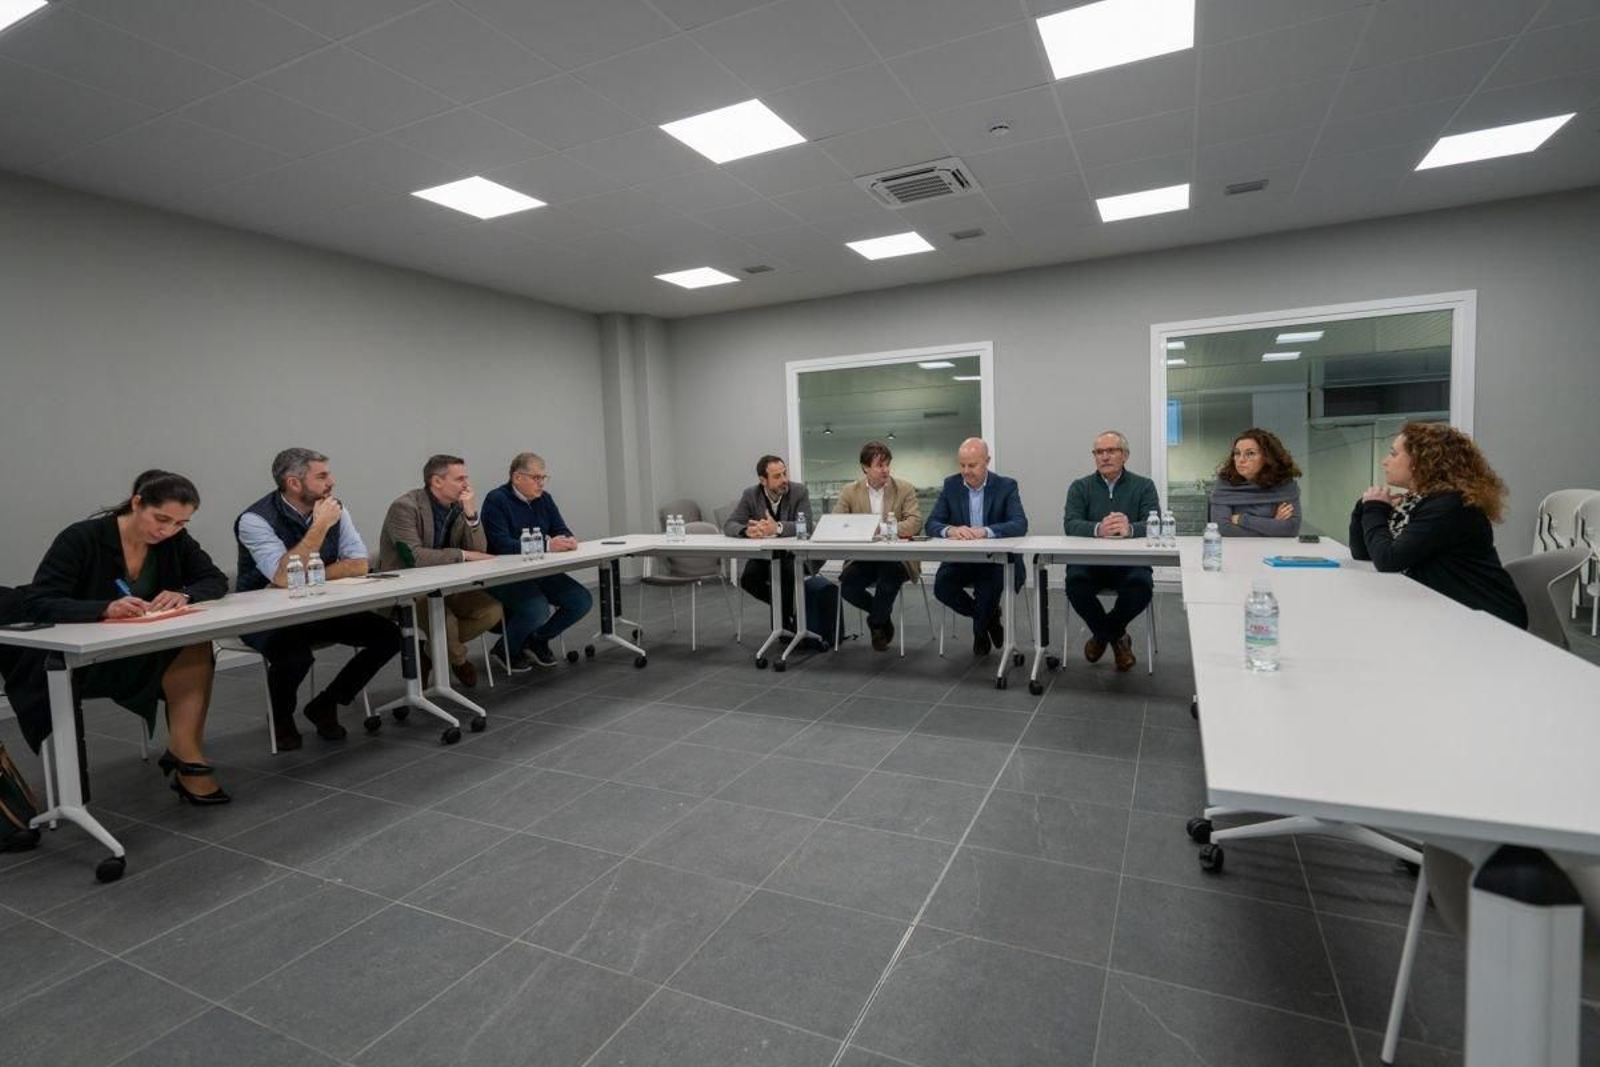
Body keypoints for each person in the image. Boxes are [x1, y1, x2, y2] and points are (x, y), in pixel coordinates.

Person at [23, 471, 231, 803]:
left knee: (196, 643)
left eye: (180, 523)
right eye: (161, 518)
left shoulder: (174, 539)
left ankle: (187, 755)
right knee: (188, 648)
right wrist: (103, 608)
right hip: (84, 658)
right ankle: (185, 762)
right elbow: (39, 601)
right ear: (137, 503)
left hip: (141, 649)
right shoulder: (82, 538)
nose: (167, 531)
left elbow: (214, 579)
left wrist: (185, 594)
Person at [235, 448, 402, 750]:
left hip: (319, 606)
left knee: (390, 636)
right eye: (322, 476)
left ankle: (327, 702)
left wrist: (306, 572)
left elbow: (359, 564)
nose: (332, 482)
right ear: (294, 483)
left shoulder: (335, 508)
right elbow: (283, 577)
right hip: (266, 615)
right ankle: (282, 718)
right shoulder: (254, 520)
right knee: (295, 656)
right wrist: (319, 526)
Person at [1349, 422, 1527, 628]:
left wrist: (1374, 510)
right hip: (1446, 608)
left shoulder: (1450, 505)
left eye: (1393, 454)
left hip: (1485, 616)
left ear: (1420, 461)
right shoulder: (1416, 501)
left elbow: (1389, 560)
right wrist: (1365, 507)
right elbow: (1364, 552)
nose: (1385, 461)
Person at [379, 455, 503, 687]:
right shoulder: (404, 507)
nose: (466, 484)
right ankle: (457, 658)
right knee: (445, 622)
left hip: (445, 584)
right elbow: (413, 557)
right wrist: (462, 555)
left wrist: (471, 514)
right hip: (407, 590)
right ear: (436, 481)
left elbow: (479, 552)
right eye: (460, 479)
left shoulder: (456, 507)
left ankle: (429, 651)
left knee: (492, 610)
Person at [481, 452, 593, 672]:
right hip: (504, 573)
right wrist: (548, 545)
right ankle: (505, 650)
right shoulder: (497, 500)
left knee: (581, 600)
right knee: (537, 609)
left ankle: (537, 639)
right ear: (516, 478)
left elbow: (560, 529)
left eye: (544, 477)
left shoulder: (545, 499)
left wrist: (568, 540)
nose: (541, 483)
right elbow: (503, 545)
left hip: (538, 569)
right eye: (536, 477)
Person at [1062, 430, 1161, 672]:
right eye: (1099, 452)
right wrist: (1098, 528)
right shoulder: (1080, 486)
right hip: (1089, 563)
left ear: (1125, 455)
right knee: (1075, 585)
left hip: (1130, 563)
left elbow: (1154, 523)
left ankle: (1102, 635)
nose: (1104, 456)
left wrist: (1129, 528)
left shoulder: (1144, 486)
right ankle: (1118, 638)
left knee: (1141, 587)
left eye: (1111, 451)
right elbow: (1070, 523)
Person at [926, 438, 1028, 656]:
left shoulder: (1006, 486)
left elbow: (1020, 524)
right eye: (962, 465)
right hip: (963, 559)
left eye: (972, 465)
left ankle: (980, 631)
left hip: (995, 561)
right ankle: (988, 620)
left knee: (988, 589)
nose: (965, 471)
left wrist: (985, 531)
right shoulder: (951, 485)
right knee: (942, 587)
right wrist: (950, 530)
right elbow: (932, 523)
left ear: (987, 461)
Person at [723, 454, 837, 648]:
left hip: (795, 556)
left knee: (785, 574)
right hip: (767, 556)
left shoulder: (798, 491)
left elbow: (807, 525)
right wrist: (746, 531)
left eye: (784, 473)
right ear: (762, 480)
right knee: (749, 579)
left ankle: (784, 629)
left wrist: (777, 528)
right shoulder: (751, 494)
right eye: (777, 476)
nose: (784, 479)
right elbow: (730, 524)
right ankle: (788, 613)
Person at [833, 441, 922, 651]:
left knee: (888, 579)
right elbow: (837, 521)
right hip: (864, 557)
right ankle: (881, 616)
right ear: (865, 467)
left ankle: (875, 623)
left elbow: (915, 522)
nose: (886, 470)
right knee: (848, 586)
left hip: (898, 557)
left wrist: (881, 529)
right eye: (879, 465)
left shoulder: (904, 488)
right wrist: (859, 529)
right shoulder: (849, 491)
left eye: (887, 464)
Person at [1208, 428, 1303, 537]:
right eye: (1237, 453)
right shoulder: (1225, 484)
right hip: (1235, 550)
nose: (1241, 460)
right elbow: (1224, 529)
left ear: (1267, 458)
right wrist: (1272, 525)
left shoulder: (1283, 485)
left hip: (1274, 550)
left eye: (1250, 453)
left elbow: (1290, 529)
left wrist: (1241, 519)